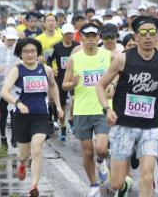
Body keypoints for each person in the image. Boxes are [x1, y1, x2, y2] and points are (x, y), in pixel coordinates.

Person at [95, 15, 158, 197]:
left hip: (151, 126)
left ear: (157, 37)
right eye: (143, 33)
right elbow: (100, 85)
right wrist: (107, 109)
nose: (147, 37)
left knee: (146, 177)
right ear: (136, 37)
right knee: (116, 182)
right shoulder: (122, 59)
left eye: (152, 33)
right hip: (124, 126)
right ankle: (120, 187)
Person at [0, 38, 64, 197]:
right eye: (26, 51)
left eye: (33, 51)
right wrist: (18, 103)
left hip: (41, 115)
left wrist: (58, 106)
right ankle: (21, 163)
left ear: (38, 52)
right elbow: (4, 92)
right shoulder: (17, 70)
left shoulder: (46, 69)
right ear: (20, 54)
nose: (29, 54)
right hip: (21, 116)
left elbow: (54, 86)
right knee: (23, 154)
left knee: (37, 148)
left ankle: (34, 185)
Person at [62, 23, 112, 197]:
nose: (90, 39)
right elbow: (64, 85)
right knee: (87, 151)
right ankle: (93, 185)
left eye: (93, 36)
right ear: (81, 38)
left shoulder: (108, 56)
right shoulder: (74, 59)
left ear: (98, 38)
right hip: (82, 110)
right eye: (87, 36)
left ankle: (101, 160)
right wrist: (72, 83)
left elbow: (117, 76)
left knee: (101, 148)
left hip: (102, 108)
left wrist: (112, 84)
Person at [48, 24, 80, 141]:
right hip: (60, 78)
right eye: (66, 34)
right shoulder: (55, 47)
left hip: (73, 78)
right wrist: (52, 68)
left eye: (71, 34)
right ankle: (62, 127)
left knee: (74, 99)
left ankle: (71, 118)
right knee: (60, 105)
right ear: (62, 34)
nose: (69, 36)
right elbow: (48, 59)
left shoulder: (78, 46)